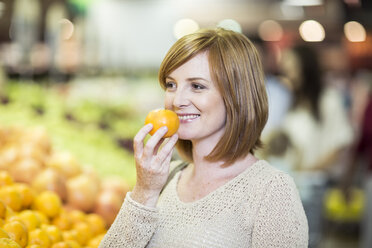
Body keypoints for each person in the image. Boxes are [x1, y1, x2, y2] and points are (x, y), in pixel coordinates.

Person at [99, 28, 308, 248]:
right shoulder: (165, 178)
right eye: (171, 85)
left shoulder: (271, 191)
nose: (177, 100)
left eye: (197, 86)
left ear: (237, 95)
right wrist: (144, 192)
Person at [275, 44, 354, 247]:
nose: (287, 71)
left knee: (309, 240)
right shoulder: (293, 100)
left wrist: (309, 168)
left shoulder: (328, 99)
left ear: (305, 66)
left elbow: (340, 144)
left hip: (313, 184)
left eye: (291, 65)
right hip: (291, 182)